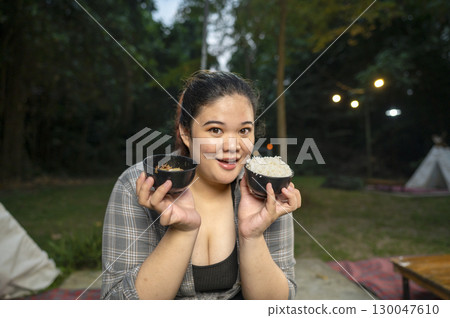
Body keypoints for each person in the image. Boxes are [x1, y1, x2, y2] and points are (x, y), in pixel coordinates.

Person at [101, 71, 301, 300]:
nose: (233, 146)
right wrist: (182, 230)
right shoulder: (139, 184)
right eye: (215, 130)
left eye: (244, 130)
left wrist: (252, 237)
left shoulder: (267, 186)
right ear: (186, 134)